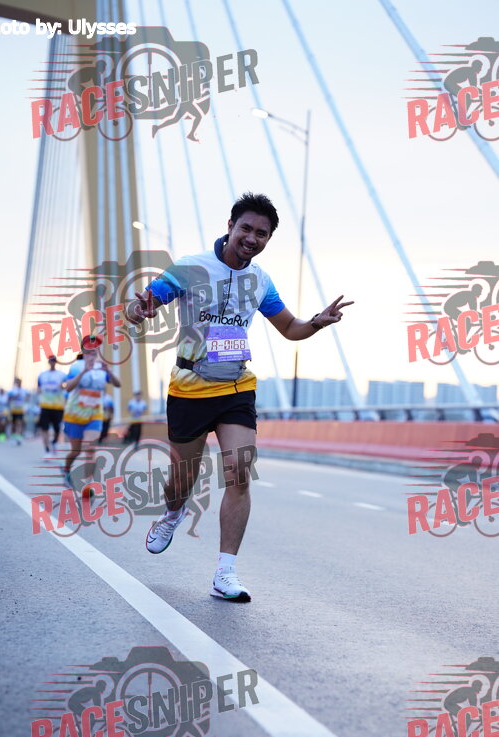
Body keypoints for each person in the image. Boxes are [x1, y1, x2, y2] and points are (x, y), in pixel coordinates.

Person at [127, 192, 353, 602]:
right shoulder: (192, 267)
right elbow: (143, 304)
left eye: (261, 234)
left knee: (239, 471)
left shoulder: (261, 280)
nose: (252, 238)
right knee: (181, 481)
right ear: (230, 226)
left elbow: (290, 328)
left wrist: (318, 322)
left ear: (268, 239)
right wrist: (137, 310)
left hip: (236, 387)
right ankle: (174, 512)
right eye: (246, 228)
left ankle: (225, 573)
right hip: (189, 387)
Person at [61, 335, 121, 489]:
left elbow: (118, 384)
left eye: (95, 348)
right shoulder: (76, 367)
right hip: (74, 415)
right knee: (75, 451)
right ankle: (66, 469)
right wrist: (83, 372)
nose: (93, 351)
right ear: (83, 349)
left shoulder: (102, 368)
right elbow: (68, 387)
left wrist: (109, 371)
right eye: (89, 348)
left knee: (90, 449)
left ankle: (88, 485)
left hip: (94, 415)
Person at [37, 356, 67, 454]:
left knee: (57, 428)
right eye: (51, 361)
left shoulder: (62, 375)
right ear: (49, 362)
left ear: (56, 362)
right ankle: (47, 449)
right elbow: (38, 388)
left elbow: (67, 386)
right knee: (44, 428)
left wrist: (62, 387)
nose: (52, 363)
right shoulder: (42, 375)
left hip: (58, 406)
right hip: (45, 405)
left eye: (54, 361)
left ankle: (54, 442)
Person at [8, 378, 27, 444]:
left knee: (19, 423)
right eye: (18, 382)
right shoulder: (13, 390)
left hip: (20, 410)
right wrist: (15, 396)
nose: (19, 384)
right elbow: (9, 398)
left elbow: (26, 399)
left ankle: (18, 436)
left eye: (20, 382)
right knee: (13, 424)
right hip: (13, 410)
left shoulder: (23, 391)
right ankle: (13, 436)